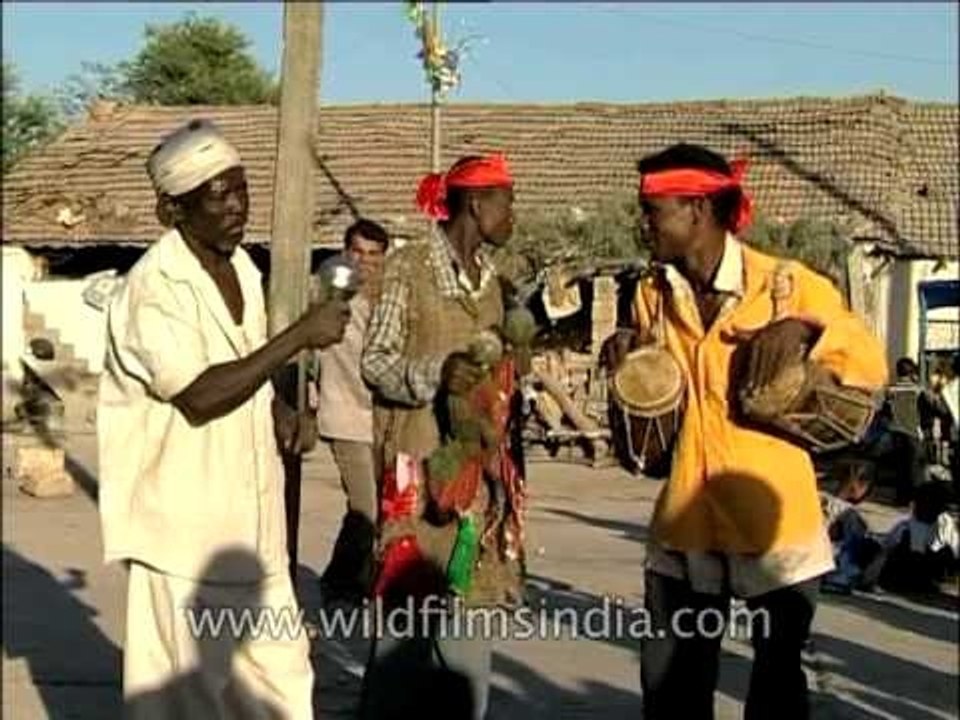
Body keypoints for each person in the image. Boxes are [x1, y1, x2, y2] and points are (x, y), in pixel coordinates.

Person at [604, 143, 888, 719]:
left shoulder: (785, 283)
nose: (643, 223)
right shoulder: (650, 294)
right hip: (687, 517)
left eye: (653, 209)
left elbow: (868, 360)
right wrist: (625, 350)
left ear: (699, 212)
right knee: (670, 685)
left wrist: (805, 329)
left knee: (776, 688)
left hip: (774, 523)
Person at [98, 119, 350, 719]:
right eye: (218, 194)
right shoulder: (153, 290)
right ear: (171, 210)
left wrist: (281, 410)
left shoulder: (240, 270)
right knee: (187, 702)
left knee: (283, 683)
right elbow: (199, 395)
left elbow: (242, 373)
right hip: (182, 536)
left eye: (242, 189)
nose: (237, 206)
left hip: (253, 530)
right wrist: (299, 336)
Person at [358, 153, 524, 720]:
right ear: (476, 204)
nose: (513, 215)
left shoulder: (495, 285)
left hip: (477, 482)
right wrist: (436, 372)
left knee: (469, 634)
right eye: (507, 201)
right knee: (403, 638)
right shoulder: (408, 269)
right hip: (418, 477)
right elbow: (375, 363)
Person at [315, 218, 389, 604]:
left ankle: (363, 578)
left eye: (374, 255)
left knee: (387, 503)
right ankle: (340, 581)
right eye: (358, 253)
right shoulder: (335, 294)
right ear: (346, 254)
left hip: (382, 417)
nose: (366, 262)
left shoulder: (387, 300)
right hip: (345, 414)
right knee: (366, 507)